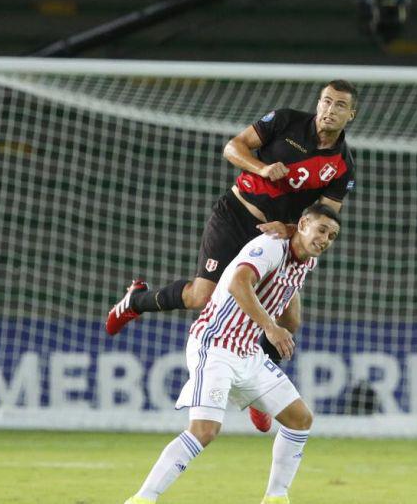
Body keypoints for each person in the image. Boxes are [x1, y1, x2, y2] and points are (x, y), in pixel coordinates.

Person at [106, 80, 359, 432]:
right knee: (201, 296)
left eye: (339, 105)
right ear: (318, 104)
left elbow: (324, 216)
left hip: (277, 234)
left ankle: (259, 390)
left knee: (290, 320)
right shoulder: (285, 121)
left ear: (351, 114)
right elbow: (233, 147)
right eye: (326, 101)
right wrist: (261, 168)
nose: (330, 110)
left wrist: (289, 230)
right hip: (236, 214)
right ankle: (137, 300)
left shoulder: (343, 165)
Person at [123, 203, 341, 504]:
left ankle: (276, 498)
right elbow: (240, 282)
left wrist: (289, 322)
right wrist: (270, 327)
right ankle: (142, 499)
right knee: (204, 431)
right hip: (215, 344)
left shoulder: (305, 262)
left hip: (248, 352)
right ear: (302, 224)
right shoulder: (271, 246)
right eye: (321, 229)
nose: (326, 239)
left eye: (332, 235)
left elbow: (287, 300)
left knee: (300, 419)